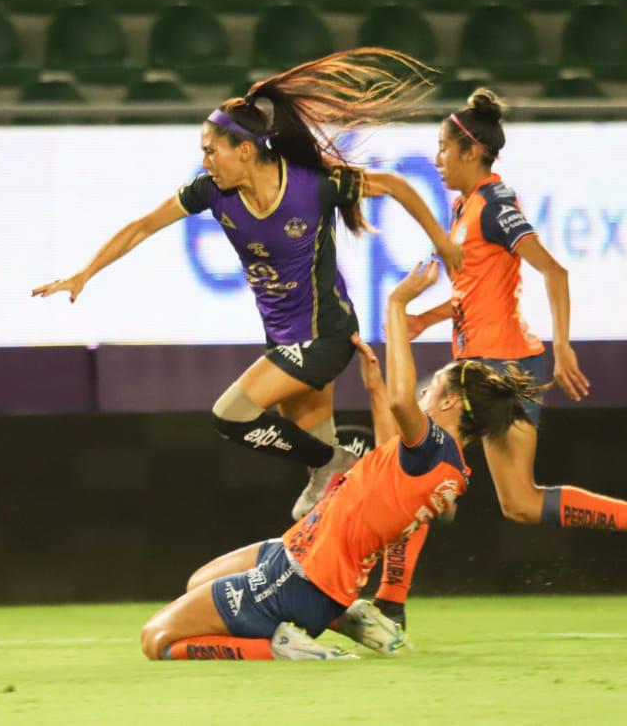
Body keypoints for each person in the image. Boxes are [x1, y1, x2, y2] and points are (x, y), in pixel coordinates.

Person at [32, 48, 463, 519]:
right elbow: (142, 226)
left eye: (210, 149)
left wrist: (442, 241)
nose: (205, 160)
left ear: (243, 151)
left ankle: (340, 460)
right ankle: (362, 556)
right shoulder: (211, 192)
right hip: (283, 341)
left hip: (325, 337)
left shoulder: (313, 186)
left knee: (230, 415)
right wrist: (84, 274)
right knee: (318, 511)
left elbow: (397, 186)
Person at [364, 89, 627, 633]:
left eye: (444, 148)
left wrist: (564, 345)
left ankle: (390, 605)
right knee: (519, 503)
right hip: (508, 367)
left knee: (413, 466)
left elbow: (554, 272)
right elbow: (484, 289)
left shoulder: (494, 205)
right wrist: (433, 317)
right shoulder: (465, 206)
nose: (438, 158)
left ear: (471, 152)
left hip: (491, 369)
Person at [139, 261, 541, 660]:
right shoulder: (449, 469)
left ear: (451, 401)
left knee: (156, 639)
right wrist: (375, 388)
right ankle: (348, 618)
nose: (422, 396)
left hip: (298, 578)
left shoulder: (433, 445)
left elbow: (403, 403)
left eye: (432, 389)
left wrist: (397, 307)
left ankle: (278, 646)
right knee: (199, 582)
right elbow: (389, 455)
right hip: (306, 561)